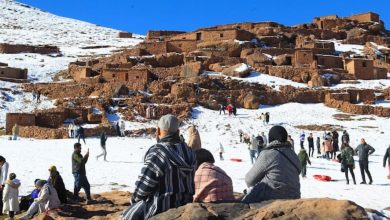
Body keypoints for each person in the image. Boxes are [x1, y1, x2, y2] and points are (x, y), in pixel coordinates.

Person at [122, 114, 196, 220]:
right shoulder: (189, 152)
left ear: (158, 131)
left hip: (161, 206)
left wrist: (134, 200)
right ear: (178, 132)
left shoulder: (158, 153)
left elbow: (144, 187)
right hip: (185, 203)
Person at [242, 126, 301, 203]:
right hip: (295, 198)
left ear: (271, 138)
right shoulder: (293, 154)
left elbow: (249, 180)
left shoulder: (268, 154)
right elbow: (298, 170)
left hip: (271, 199)